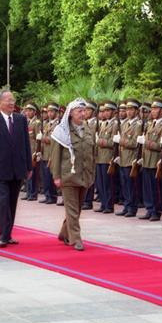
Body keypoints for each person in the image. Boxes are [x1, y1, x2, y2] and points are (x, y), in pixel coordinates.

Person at [0, 90, 33, 248]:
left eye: (13, 100)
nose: (12, 102)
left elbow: (26, 144)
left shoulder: (20, 119)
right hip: (1, 169)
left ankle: (8, 234)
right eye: (8, 100)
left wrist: (28, 166)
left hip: (18, 168)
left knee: (12, 202)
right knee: (3, 201)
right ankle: (2, 235)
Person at [51, 98, 95, 251]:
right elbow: (55, 156)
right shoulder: (61, 131)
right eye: (79, 111)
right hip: (68, 176)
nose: (83, 114)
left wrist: (92, 174)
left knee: (77, 208)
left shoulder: (88, 129)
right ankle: (75, 239)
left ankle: (64, 232)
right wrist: (56, 176)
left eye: (84, 111)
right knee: (72, 209)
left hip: (85, 176)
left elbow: (91, 154)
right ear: (71, 114)